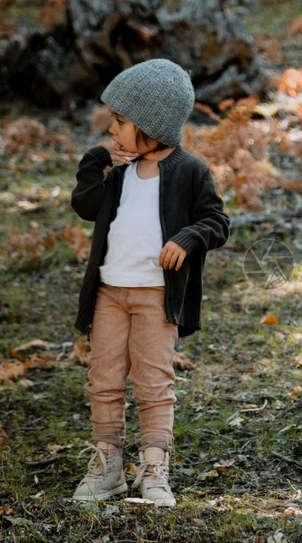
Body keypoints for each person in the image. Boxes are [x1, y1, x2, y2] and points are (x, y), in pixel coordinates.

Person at [69, 59, 229, 507]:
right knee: (104, 379)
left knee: (154, 383)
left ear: (152, 127)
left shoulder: (190, 172)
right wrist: (100, 159)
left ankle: (155, 468)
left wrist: (188, 237)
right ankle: (108, 466)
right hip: (108, 293)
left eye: (120, 122)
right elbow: (84, 204)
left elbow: (217, 220)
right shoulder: (117, 171)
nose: (111, 130)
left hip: (157, 297)